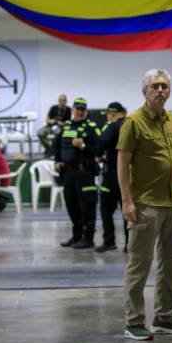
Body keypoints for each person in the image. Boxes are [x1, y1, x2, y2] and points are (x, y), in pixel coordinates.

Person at [120, 69, 172, 340]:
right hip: (144, 204)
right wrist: (126, 200)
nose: (160, 90)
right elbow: (122, 163)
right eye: (155, 86)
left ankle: (165, 317)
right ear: (145, 92)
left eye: (164, 86)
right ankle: (134, 321)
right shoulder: (133, 122)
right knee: (140, 264)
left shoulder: (171, 119)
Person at [55, 97, 101, 249]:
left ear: (85, 111)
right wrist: (57, 160)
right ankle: (76, 236)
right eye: (77, 109)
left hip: (84, 172)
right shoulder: (67, 126)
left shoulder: (91, 127)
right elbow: (58, 145)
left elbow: (99, 149)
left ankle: (88, 239)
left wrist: (83, 146)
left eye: (83, 109)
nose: (80, 112)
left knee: (87, 206)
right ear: (73, 110)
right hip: (68, 172)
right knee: (71, 205)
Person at [95, 102, 128, 253]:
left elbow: (102, 141)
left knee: (106, 209)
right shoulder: (132, 126)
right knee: (128, 210)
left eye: (108, 114)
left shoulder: (112, 127)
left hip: (113, 174)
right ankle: (130, 244)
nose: (107, 117)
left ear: (112, 113)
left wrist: (98, 154)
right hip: (130, 175)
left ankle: (109, 241)